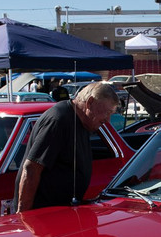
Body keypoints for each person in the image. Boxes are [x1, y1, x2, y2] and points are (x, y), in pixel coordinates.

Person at [14, 82, 121, 211]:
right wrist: (23, 214)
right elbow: (32, 168)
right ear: (90, 102)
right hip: (43, 215)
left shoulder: (83, 122)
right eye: (107, 112)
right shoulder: (59, 120)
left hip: (64, 212)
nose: (107, 120)